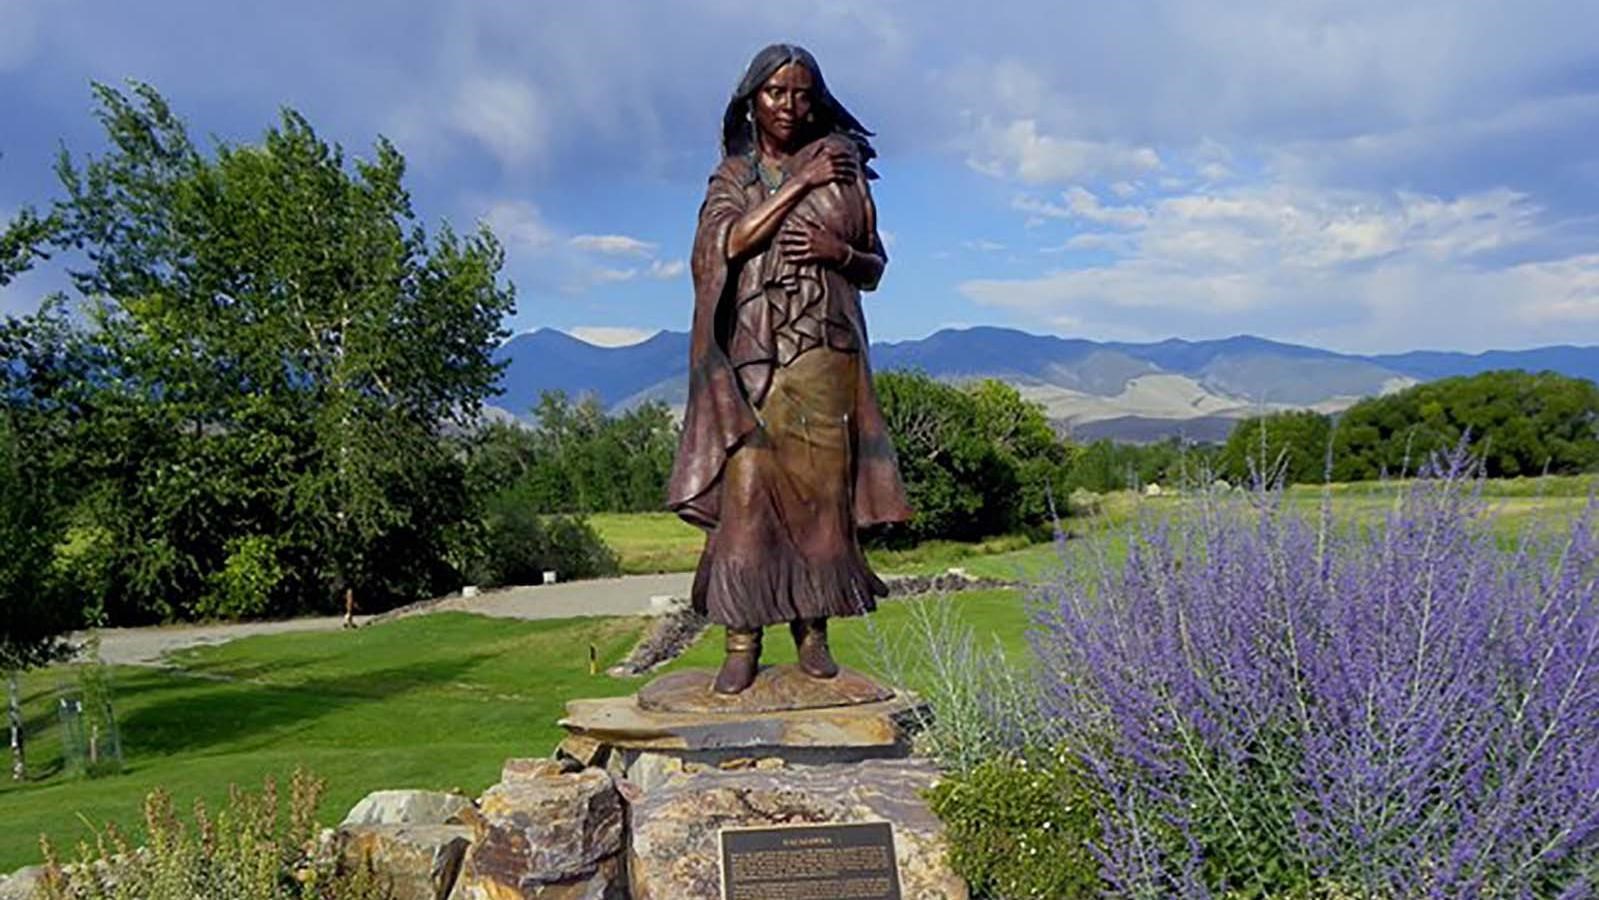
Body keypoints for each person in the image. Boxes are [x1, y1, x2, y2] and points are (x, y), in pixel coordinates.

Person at [667, 43, 913, 695]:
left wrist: (838, 251)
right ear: (751, 100)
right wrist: (798, 184)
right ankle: (741, 641)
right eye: (776, 93)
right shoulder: (732, 177)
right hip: (752, 360)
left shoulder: (844, 170)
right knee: (747, 494)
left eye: (802, 94)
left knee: (822, 498)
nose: (790, 105)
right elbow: (725, 245)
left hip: (824, 352)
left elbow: (875, 268)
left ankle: (813, 633)